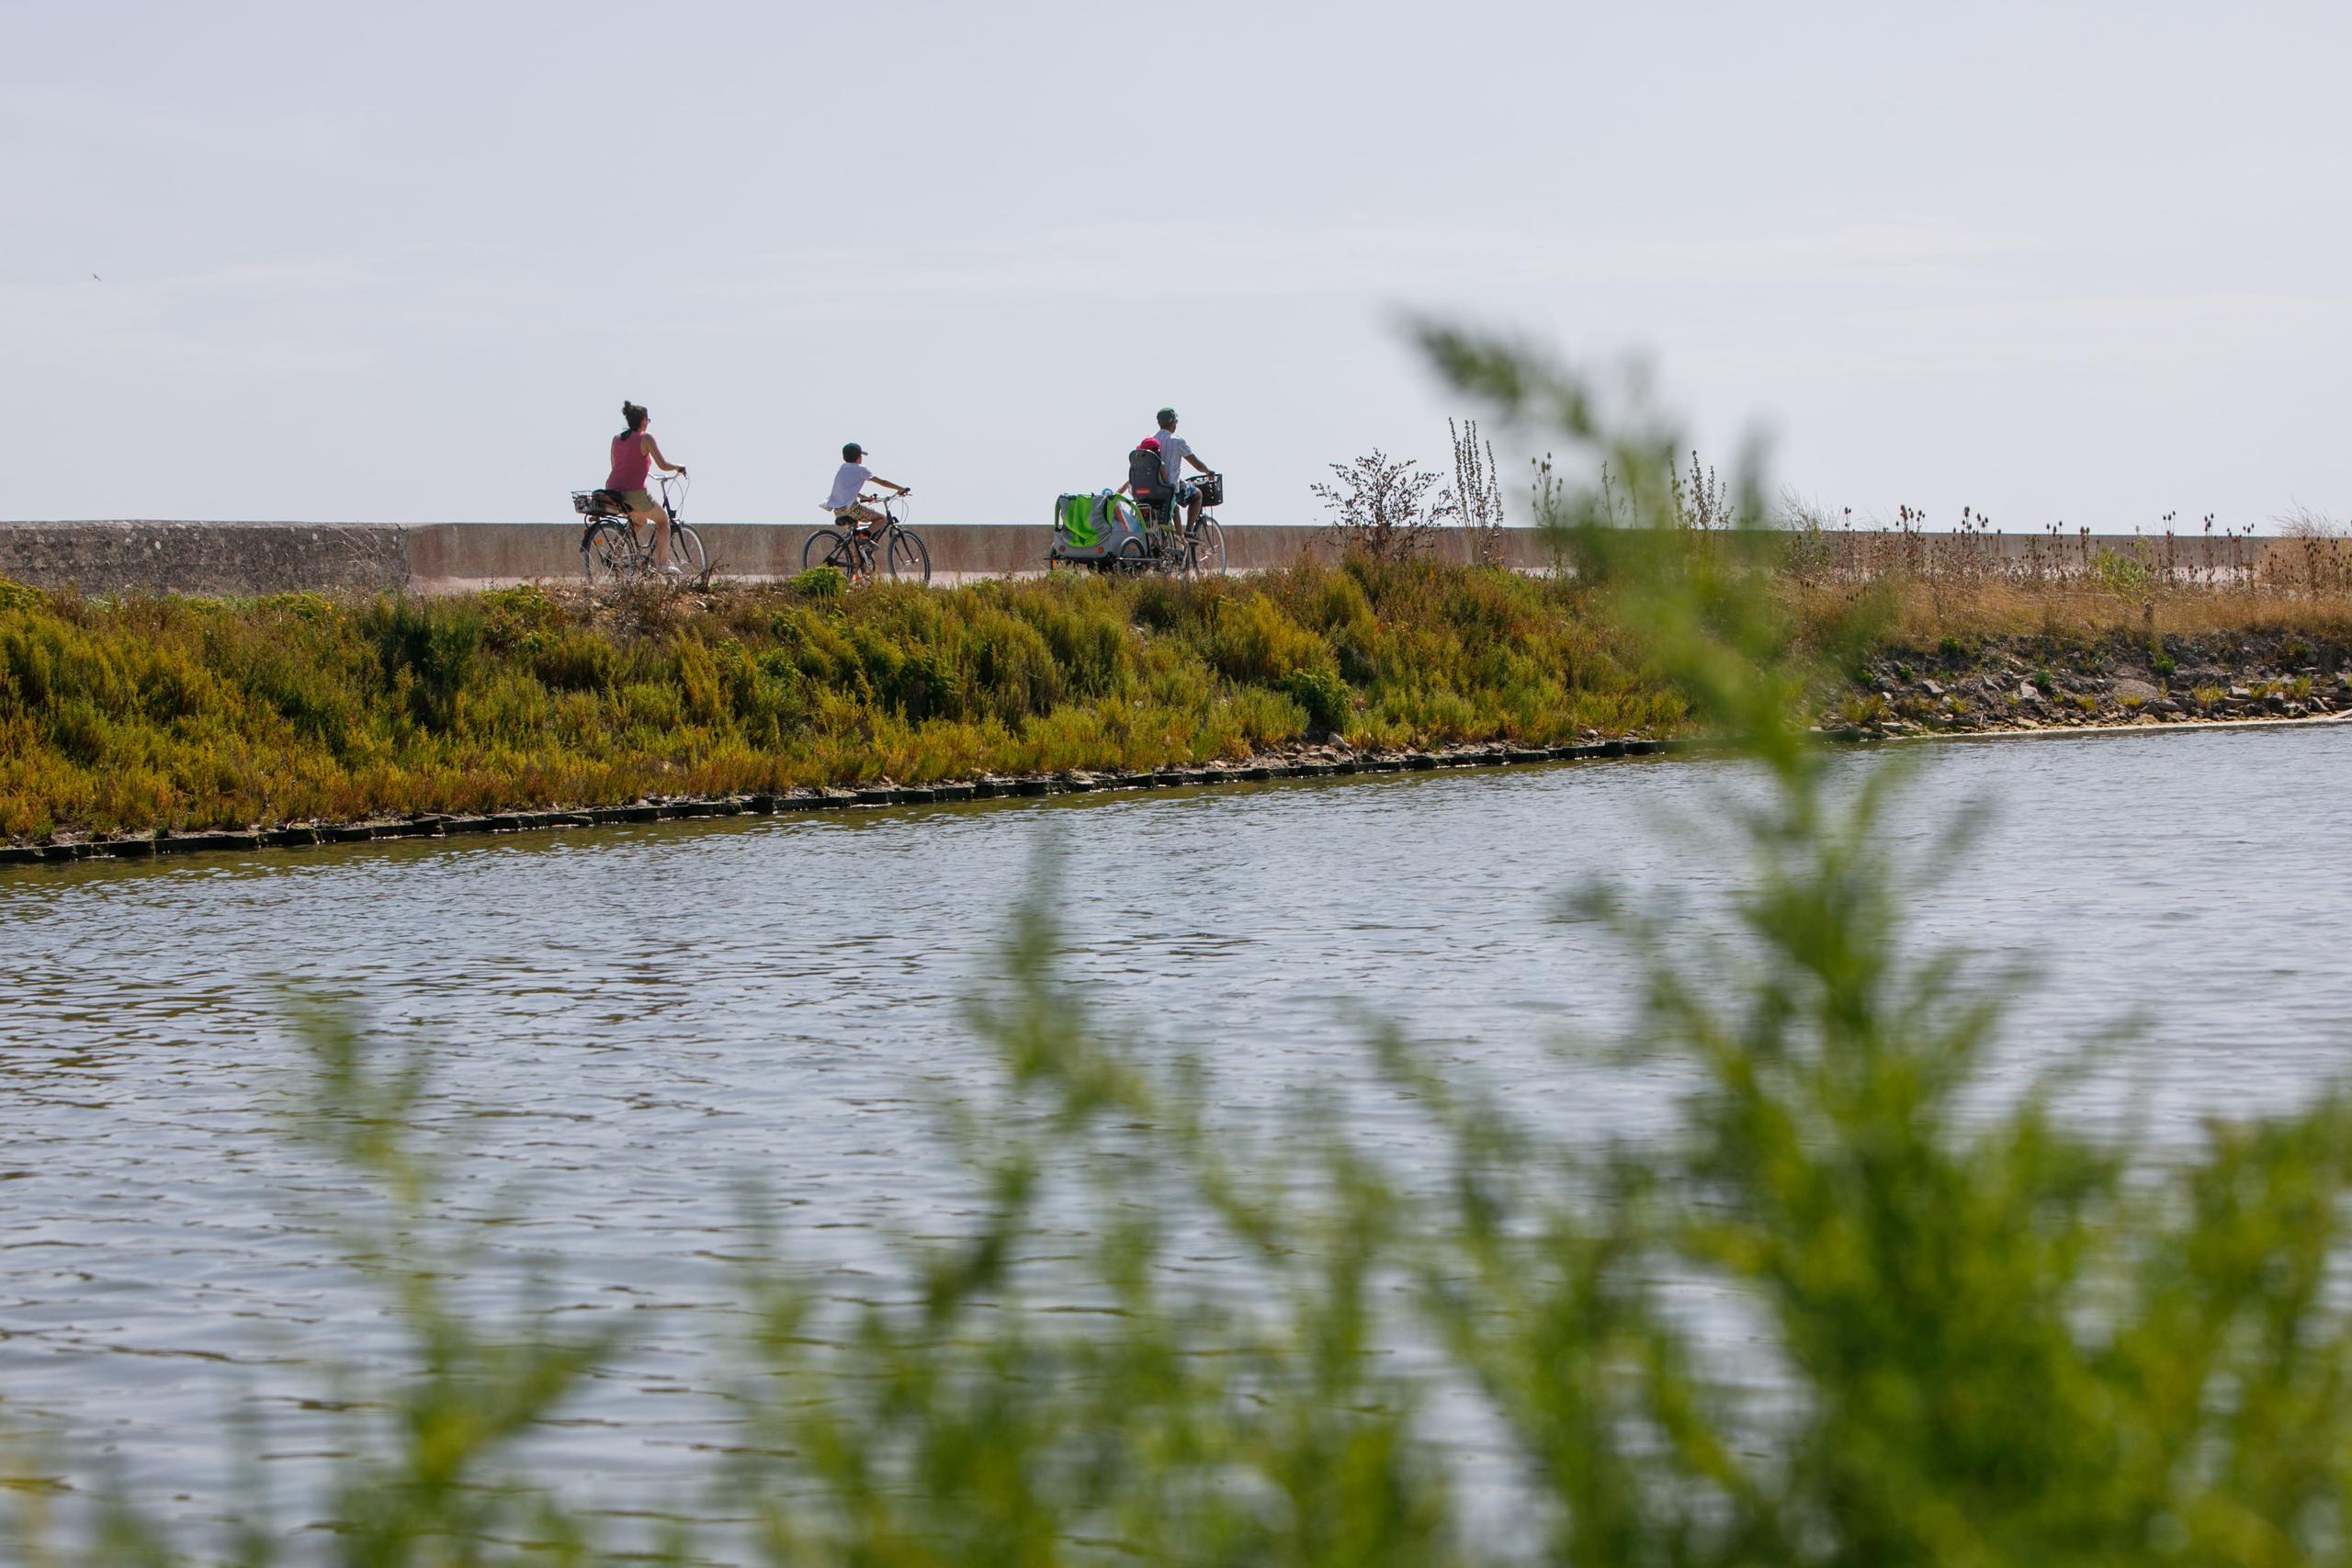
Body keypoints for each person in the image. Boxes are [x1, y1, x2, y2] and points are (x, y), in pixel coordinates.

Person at [607, 401, 687, 574]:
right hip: (634, 493)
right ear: (643, 420)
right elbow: (663, 465)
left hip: (613, 492)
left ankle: (616, 552)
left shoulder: (616, 439)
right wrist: (678, 467)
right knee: (663, 520)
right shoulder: (646, 438)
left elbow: (616, 467)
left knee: (640, 520)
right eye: (648, 420)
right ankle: (663, 564)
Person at [1142, 408, 1213, 531]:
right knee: (1197, 494)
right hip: (1170, 487)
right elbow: (1197, 465)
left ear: (1159, 423)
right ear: (1173, 423)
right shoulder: (1178, 441)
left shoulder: (1149, 439)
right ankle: (1189, 532)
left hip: (1151, 487)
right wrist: (1208, 472)